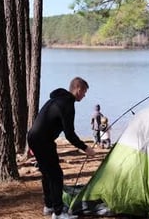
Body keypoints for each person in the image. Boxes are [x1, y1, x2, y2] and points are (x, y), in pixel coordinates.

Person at [27, 77, 95, 219]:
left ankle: (49, 206)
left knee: (47, 173)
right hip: (42, 140)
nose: (84, 95)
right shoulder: (67, 104)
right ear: (78, 88)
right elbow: (69, 134)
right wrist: (85, 148)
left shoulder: (57, 99)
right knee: (56, 175)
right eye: (84, 92)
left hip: (34, 137)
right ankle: (58, 213)